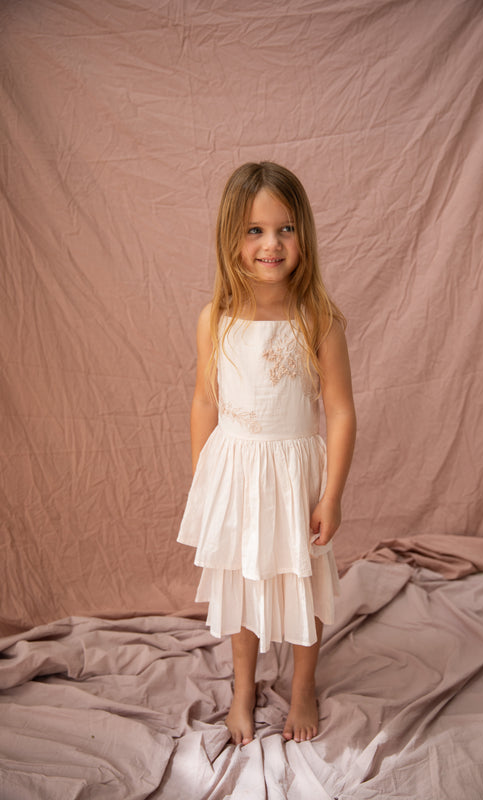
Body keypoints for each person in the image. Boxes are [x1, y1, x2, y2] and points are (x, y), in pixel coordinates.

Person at [177, 161, 356, 746]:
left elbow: (340, 411)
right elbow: (205, 400)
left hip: (295, 476)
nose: (271, 244)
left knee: (304, 581)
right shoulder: (215, 320)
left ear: (303, 234)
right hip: (237, 475)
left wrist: (332, 495)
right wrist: (205, 481)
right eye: (255, 230)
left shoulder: (318, 320)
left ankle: (303, 686)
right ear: (232, 238)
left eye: (285, 229)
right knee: (242, 583)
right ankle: (242, 689)